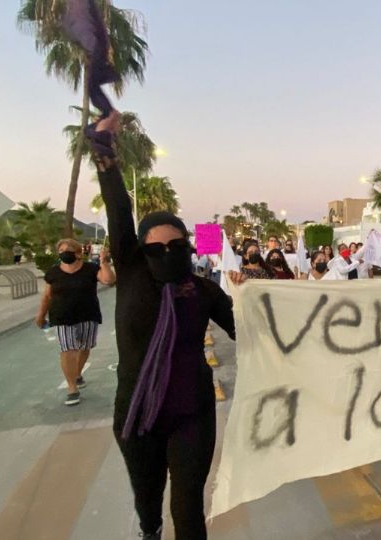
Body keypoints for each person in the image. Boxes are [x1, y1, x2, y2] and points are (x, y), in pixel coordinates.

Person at [91, 111, 238, 540]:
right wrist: (104, 149)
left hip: (193, 412)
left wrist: (251, 297)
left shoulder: (205, 291)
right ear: (138, 251)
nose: (167, 253)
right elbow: (119, 209)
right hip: (137, 415)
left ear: (190, 247)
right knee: (148, 500)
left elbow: (251, 328)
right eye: (156, 247)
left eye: (177, 246)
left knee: (188, 506)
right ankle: (149, 530)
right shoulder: (134, 275)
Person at [35, 238, 116, 406]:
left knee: (84, 347)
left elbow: (109, 280)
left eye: (68, 251)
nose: (64, 254)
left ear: (79, 253)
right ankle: (72, 388)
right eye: (61, 251)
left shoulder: (91, 269)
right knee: (68, 349)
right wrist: (41, 315)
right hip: (62, 316)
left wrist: (104, 262)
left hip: (87, 314)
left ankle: (77, 373)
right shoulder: (53, 273)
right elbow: (47, 296)